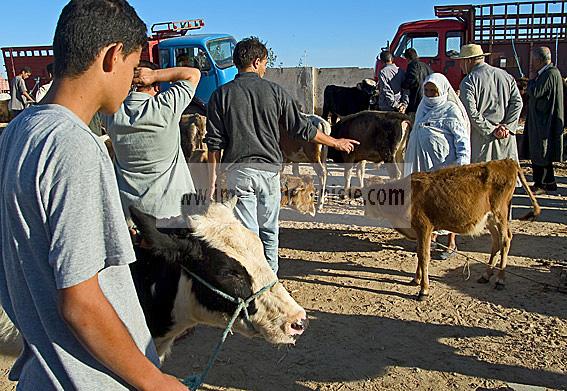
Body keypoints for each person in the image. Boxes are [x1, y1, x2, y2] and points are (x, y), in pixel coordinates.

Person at [0, 1, 187, 390]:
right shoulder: (73, 146)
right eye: (133, 67)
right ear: (112, 56)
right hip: (84, 379)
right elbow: (81, 302)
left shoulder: (18, 131)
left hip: (42, 371)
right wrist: (154, 381)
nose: (133, 82)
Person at [205, 37, 358, 274]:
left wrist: (212, 179)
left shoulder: (220, 95)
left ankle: (254, 281)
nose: (265, 68)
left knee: (248, 232)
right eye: (265, 63)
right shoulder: (275, 92)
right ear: (256, 62)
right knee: (269, 231)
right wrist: (335, 142)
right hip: (268, 173)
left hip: (239, 173)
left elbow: (214, 143)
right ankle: (271, 280)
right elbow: (302, 128)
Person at [103, 60, 201, 221]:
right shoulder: (165, 107)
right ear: (156, 85)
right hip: (173, 212)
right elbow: (193, 74)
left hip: (132, 216)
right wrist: (155, 75)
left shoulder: (112, 114)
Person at [404, 73, 471, 258]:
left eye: (434, 91)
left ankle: (451, 243)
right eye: (427, 90)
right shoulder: (422, 106)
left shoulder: (451, 110)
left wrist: (460, 166)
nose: (430, 94)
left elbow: (462, 140)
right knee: (425, 203)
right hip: (422, 164)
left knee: (447, 203)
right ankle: (429, 240)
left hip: (443, 165)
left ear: (443, 91)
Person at [455, 44, 523, 163]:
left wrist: (492, 130)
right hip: (505, 138)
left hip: (482, 141)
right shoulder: (506, 76)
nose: (460, 65)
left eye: (461, 61)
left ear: (468, 60)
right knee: (506, 176)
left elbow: (471, 113)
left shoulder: (468, 81)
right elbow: (517, 103)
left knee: (483, 178)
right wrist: (507, 127)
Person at [524, 46, 564, 194]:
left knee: (541, 152)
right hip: (543, 119)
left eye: (533, 60)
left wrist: (531, 81)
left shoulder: (549, 74)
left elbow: (536, 91)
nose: (531, 64)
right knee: (542, 152)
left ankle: (541, 184)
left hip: (543, 122)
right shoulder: (551, 73)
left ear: (539, 60)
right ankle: (550, 182)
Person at [401, 48, 433, 113]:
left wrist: (403, 85)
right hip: (426, 96)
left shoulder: (412, 65)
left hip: (417, 97)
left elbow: (412, 79)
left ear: (407, 58)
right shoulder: (425, 66)